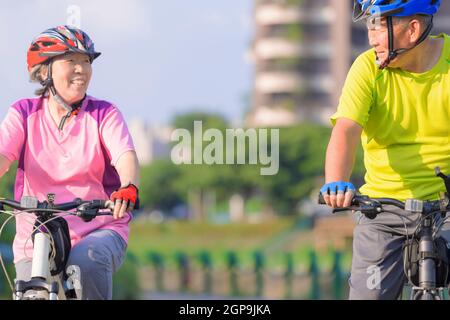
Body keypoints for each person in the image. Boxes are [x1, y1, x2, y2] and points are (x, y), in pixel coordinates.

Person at [320, 0, 450, 299]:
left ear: (413, 29)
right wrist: (335, 181)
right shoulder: (368, 68)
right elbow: (346, 129)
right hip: (383, 210)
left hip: (447, 206)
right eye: (369, 26)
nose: (371, 37)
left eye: (378, 25)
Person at [0, 25, 140, 299]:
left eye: (86, 61)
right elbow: (2, 156)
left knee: (86, 263)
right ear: (44, 71)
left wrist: (129, 185)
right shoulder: (23, 113)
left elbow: (125, 155)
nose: (81, 69)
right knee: (31, 291)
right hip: (35, 235)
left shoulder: (104, 114)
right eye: (71, 60)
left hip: (97, 228)